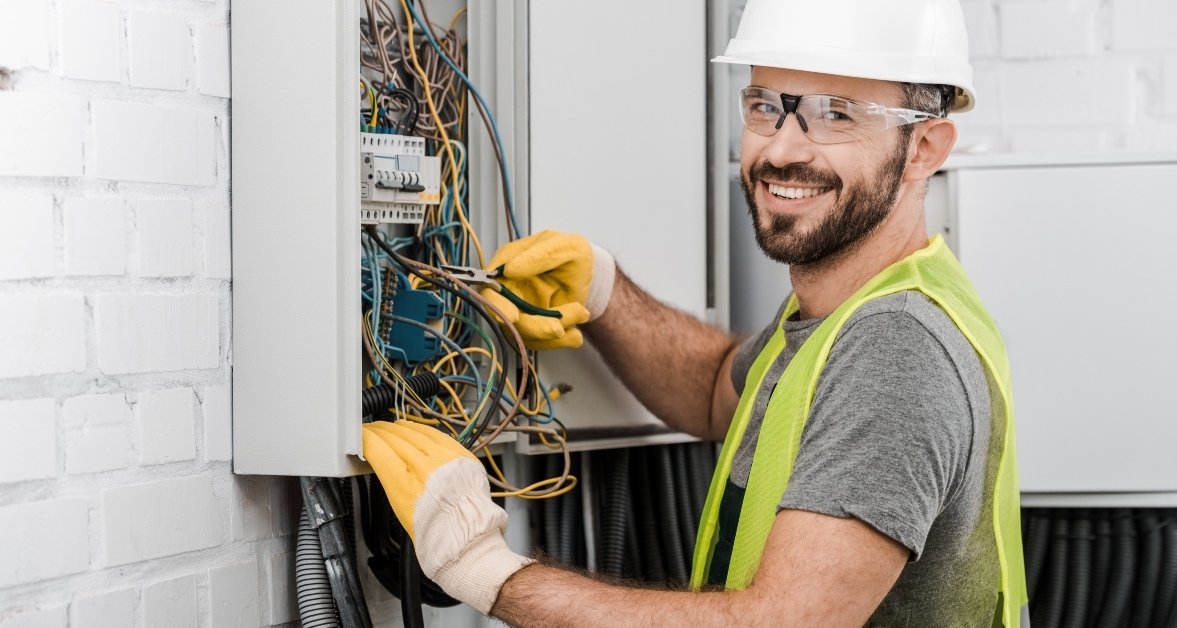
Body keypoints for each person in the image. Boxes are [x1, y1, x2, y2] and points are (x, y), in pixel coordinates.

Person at [363, 0, 1028, 625]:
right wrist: (604, 292)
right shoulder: (844, 311)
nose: (782, 150)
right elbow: (719, 392)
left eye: (835, 115)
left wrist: (483, 570)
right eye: (767, 106)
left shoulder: (893, 348)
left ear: (926, 149)